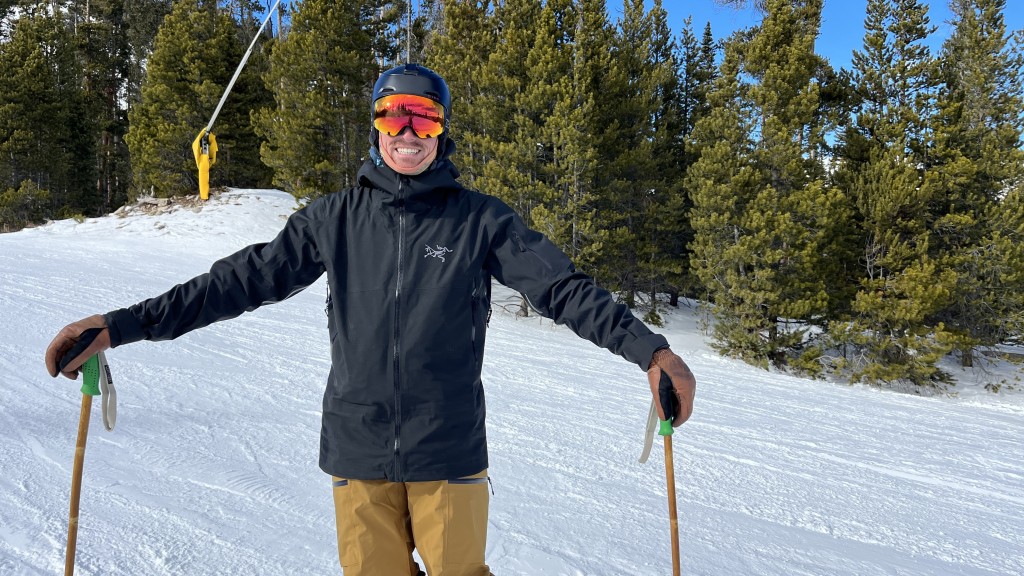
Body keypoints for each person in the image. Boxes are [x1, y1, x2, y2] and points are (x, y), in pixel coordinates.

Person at [45, 63, 697, 576]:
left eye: (424, 117)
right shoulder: (335, 220)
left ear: (441, 129)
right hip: (358, 451)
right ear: (376, 127)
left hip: (448, 450)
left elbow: (564, 289)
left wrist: (652, 351)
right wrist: (118, 326)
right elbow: (233, 285)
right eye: (394, 115)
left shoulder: (480, 220)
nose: (408, 131)